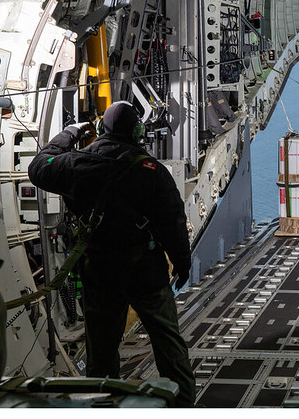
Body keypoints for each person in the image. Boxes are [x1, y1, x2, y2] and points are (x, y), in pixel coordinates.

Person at [28, 100, 196, 407]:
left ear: (102, 130)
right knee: (168, 345)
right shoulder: (151, 170)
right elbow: (173, 222)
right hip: (146, 272)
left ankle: (103, 406)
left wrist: (69, 134)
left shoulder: (76, 163)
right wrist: (182, 264)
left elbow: (39, 166)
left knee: (101, 352)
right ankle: (183, 405)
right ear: (137, 130)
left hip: (100, 273)